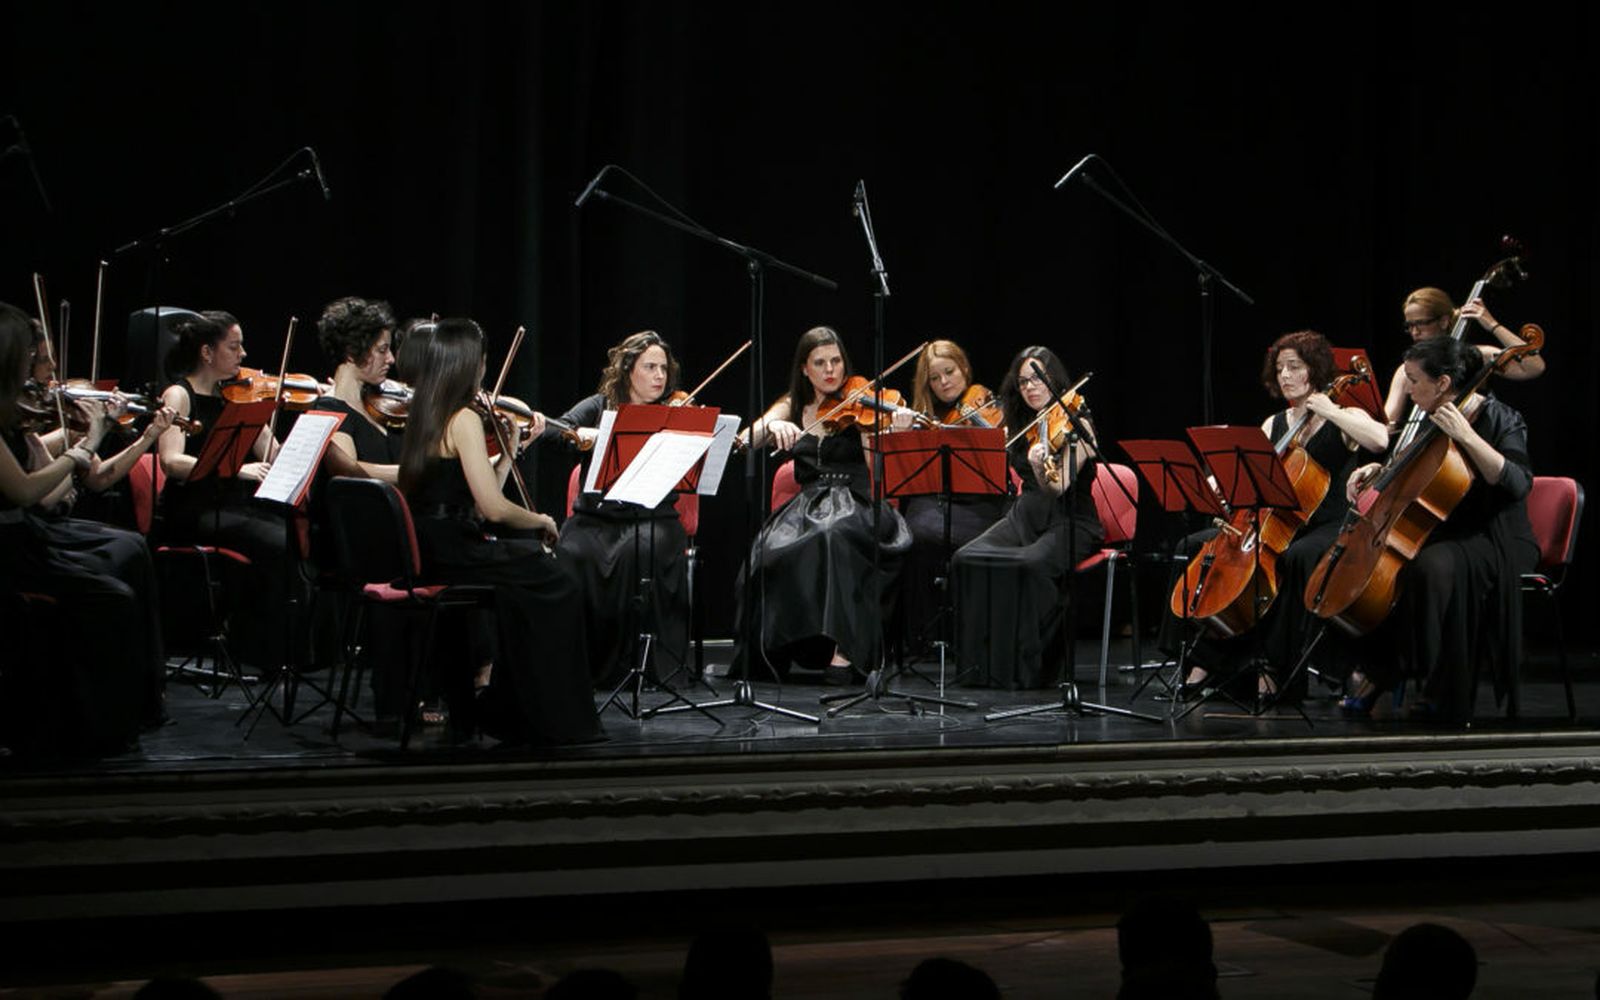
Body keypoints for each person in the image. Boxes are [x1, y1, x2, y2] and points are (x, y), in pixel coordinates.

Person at [397, 318, 601, 745]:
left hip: (427, 543)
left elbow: (469, 492)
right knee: (558, 578)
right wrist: (542, 521)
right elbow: (491, 508)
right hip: (455, 548)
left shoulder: (424, 414)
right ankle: (540, 714)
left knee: (528, 577)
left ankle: (499, 703)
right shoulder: (464, 418)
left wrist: (508, 453)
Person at [1171, 331, 1388, 701]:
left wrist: (1331, 411)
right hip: (1276, 523)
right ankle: (1198, 660)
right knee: (1192, 545)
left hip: (1326, 524)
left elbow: (1380, 441)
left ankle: (1274, 669)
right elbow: (1250, 472)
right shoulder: (1275, 423)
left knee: (1292, 558)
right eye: (1280, 368)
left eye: (1295, 367)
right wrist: (1221, 481)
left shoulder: (1345, 415)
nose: (1285, 375)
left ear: (1315, 370)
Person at [1342, 335, 1536, 722]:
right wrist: (1379, 471)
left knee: (1430, 566)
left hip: (1494, 534)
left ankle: (1435, 684)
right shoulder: (1427, 417)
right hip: (1445, 528)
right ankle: (1386, 668)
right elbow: (1420, 475)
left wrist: (1467, 435)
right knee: (1388, 569)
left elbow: (1517, 483)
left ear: (1443, 383)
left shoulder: (1500, 417)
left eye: (1414, 380)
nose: (1408, 389)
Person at [0, 301, 163, 756]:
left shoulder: (15, 415)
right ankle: (87, 728)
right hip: (11, 549)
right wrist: (87, 441)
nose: (49, 374)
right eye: (38, 359)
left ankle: (129, 709)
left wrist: (87, 446)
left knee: (123, 565)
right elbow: (27, 492)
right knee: (111, 595)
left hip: (23, 539)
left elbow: (47, 493)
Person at [732, 325, 911, 681]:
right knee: (764, 554)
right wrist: (771, 429)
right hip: (808, 504)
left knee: (833, 536)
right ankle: (771, 653)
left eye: (836, 361)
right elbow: (744, 441)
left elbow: (877, 473)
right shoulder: (792, 405)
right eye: (820, 362)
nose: (831, 370)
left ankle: (845, 652)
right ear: (804, 369)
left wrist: (889, 434)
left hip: (857, 504)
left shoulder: (860, 404)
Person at [155, 311, 307, 672]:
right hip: (190, 511)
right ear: (207, 352)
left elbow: (272, 452)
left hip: (231, 508)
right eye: (234, 346)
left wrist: (284, 420)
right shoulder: (179, 394)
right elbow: (171, 460)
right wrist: (237, 470)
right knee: (277, 542)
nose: (243, 355)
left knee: (292, 533)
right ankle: (259, 653)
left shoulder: (237, 395)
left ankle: (284, 652)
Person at [543, 330, 692, 687]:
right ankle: (585, 665)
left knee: (640, 550)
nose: (660, 376)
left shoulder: (674, 410)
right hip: (597, 518)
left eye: (664, 368)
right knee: (573, 552)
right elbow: (553, 429)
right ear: (628, 371)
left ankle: (642, 667)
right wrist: (583, 435)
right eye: (650, 367)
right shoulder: (601, 405)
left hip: (654, 517)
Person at [950, 346, 1102, 689]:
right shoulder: (1025, 424)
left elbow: (1059, 487)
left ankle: (1028, 668)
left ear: (1055, 380)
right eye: (1023, 383)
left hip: (1072, 521)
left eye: (1038, 379)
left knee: (1031, 564)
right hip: (1025, 516)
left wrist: (1038, 466)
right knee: (965, 558)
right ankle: (982, 667)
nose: (1031, 388)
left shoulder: (1079, 423)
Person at [897, 340, 1007, 655]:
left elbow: (1004, 455)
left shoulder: (984, 402)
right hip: (933, 500)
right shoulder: (922, 417)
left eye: (950, 372)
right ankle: (923, 637)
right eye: (935, 378)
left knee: (975, 540)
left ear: (964, 369)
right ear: (926, 384)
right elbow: (907, 476)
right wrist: (904, 435)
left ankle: (973, 636)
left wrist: (983, 428)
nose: (944, 382)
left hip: (981, 502)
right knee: (916, 534)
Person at [1384, 285, 1543, 432]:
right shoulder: (1407, 371)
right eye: (1409, 326)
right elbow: (1387, 426)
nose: (1414, 332)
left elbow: (1534, 367)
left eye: (1421, 323)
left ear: (1444, 321)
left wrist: (1492, 324)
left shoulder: (1477, 356)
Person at [314, 296, 402, 480]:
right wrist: (409, 475)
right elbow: (347, 470)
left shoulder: (382, 403)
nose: (391, 359)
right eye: (382, 350)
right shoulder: (330, 409)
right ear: (352, 352)